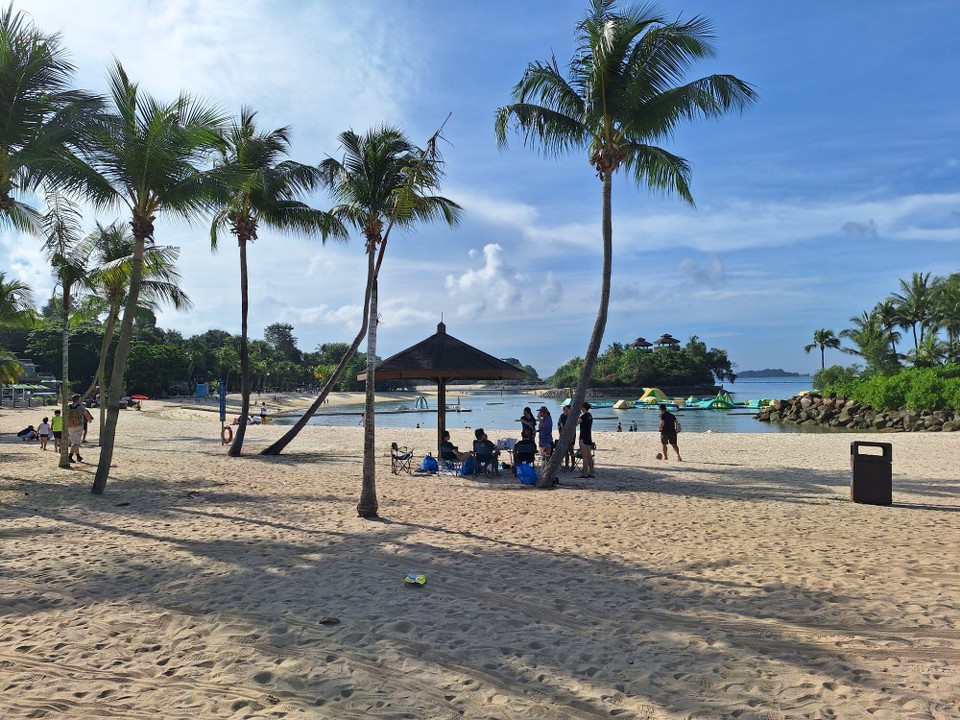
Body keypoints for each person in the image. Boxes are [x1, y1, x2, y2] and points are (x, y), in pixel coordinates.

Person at [66, 394, 93, 463]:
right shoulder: (81, 406)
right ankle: (70, 456)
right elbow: (86, 414)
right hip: (78, 425)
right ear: (78, 399)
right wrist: (89, 420)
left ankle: (78, 456)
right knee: (76, 442)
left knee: (74, 441)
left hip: (69, 425)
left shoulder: (68, 406)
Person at [578, 402, 595, 478]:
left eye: (581, 407)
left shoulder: (583, 416)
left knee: (585, 456)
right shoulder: (590, 416)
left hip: (583, 437)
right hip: (588, 437)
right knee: (589, 456)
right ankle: (591, 472)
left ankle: (585, 473)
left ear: (583, 407)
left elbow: (575, 423)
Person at [557, 405, 575, 470]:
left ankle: (573, 465)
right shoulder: (562, 416)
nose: (565, 411)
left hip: (571, 435)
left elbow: (573, 426)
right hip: (563, 435)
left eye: (567, 410)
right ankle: (566, 465)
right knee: (565, 451)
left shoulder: (571, 417)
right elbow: (559, 424)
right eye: (564, 410)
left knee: (571, 450)